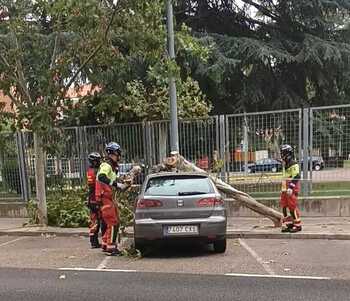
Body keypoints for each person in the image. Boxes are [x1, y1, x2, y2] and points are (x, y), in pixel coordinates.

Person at [95, 142, 130, 256]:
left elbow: (112, 180)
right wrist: (116, 184)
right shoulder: (106, 165)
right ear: (114, 153)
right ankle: (111, 247)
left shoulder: (112, 166)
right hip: (105, 198)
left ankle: (106, 244)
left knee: (113, 223)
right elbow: (101, 177)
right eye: (118, 153)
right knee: (113, 223)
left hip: (109, 198)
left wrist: (121, 183)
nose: (119, 156)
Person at [280, 144, 302, 233]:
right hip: (284, 189)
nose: (282, 155)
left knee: (292, 207)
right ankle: (289, 223)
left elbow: (297, 176)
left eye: (283, 153)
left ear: (288, 154)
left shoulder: (294, 164)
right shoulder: (286, 164)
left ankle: (298, 225)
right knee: (284, 207)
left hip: (290, 189)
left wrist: (291, 187)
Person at [86, 152, 103, 248]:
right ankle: (94, 242)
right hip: (95, 199)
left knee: (94, 221)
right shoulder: (95, 172)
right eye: (98, 160)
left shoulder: (90, 170)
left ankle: (94, 242)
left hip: (91, 199)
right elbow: (96, 186)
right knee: (97, 221)